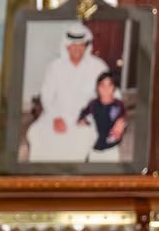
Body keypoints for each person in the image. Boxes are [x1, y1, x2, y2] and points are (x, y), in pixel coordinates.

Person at [25, 22, 110, 162]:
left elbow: (110, 94)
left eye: (81, 44)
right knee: (37, 133)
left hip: (86, 116)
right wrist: (55, 117)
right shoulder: (54, 67)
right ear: (66, 46)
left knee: (79, 139)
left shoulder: (99, 67)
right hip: (57, 112)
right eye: (73, 44)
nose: (77, 48)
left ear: (86, 46)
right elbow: (46, 96)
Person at [76, 71, 127, 163]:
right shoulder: (93, 104)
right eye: (102, 85)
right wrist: (83, 120)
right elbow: (83, 114)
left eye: (109, 85)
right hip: (94, 149)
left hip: (111, 148)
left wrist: (121, 124)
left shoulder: (118, 105)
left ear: (114, 87)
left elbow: (123, 119)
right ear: (97, 87)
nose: (106, 89)